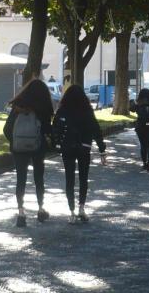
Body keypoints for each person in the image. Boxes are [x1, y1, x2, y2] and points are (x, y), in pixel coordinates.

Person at [3, 79, 54, 227]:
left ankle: (21, 212)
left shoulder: (18, 106)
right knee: (39, 178)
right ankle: (40, 209)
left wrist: (15, 142)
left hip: (19, 149)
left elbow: (7, 129)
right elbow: (47, 130)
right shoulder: (43, 108)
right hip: (37, 147)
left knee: (21, 179)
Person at [52, 85, 106, 224]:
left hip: (67, 147)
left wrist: (56, 145)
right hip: (84, 147)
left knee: (69, 180)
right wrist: (102, 149)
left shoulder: (63, 110)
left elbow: (55, 127)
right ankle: (81, 208)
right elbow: (96, 129)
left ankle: (71, 212)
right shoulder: (87, 110)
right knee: (83, 178)